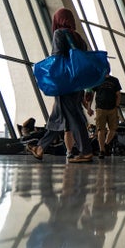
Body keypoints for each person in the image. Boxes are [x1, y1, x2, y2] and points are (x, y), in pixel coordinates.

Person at [26, 8, 94, 163]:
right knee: (57, 117)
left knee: (74, 116)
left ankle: (86, 151)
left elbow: (57, 57)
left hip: (65, 83)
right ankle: (40, 148)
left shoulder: (60, 34)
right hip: (77, 84)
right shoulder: (78, 38)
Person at [85, 73, 122, 158]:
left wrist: (116, 106)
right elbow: (92, 94)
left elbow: (118, 94)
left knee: (113, 129)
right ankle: (102, 150)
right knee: (100, 129)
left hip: (112, 108)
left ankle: (105, 144)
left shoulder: (114, 80)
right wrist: (89, 107)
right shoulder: (98, 79)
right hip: (100, 108)